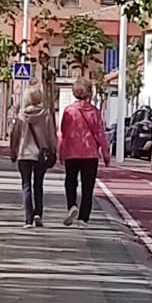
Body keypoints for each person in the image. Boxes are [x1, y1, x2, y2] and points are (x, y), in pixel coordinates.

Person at [59, 79, 110, 227]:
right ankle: (83, 218)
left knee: (70, 181)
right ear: (89, 92)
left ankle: (72, 205)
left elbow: (64, 132)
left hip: (72, 152)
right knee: (88, 186)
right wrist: (106, 154)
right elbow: (100, 134)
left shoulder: (69, 111)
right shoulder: (94, 112)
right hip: (90, 153)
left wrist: (61, 151)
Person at [7, 86, 58, 228]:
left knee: (26, 185)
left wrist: (13, 150)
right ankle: (38, 214)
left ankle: (28, 218)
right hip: (40, 155)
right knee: (38, 185)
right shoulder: (46, 115)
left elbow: (15, 135)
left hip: (24, 154)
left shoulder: (21, 116)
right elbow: (51, 135)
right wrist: (54, 150)